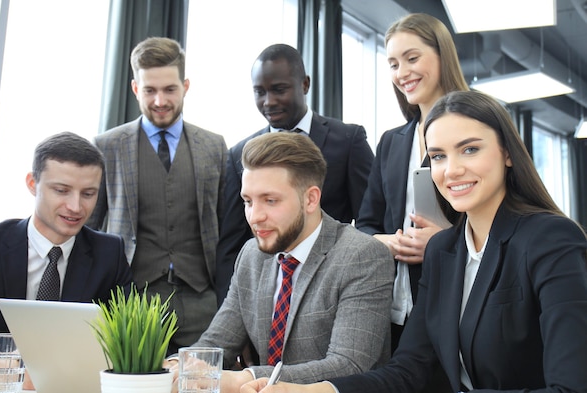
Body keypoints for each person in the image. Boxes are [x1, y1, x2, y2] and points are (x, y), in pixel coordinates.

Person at [240, 90, 587, 393]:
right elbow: (409, 371)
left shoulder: (551, 240)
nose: (451, 170)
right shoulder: (444, 252)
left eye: (469, 149)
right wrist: (317, 391)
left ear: (508, 153)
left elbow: (571, 387)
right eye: (438, 156)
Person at [174, 132, 393, 392]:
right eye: (247, 201)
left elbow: (348, 365)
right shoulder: (250, 255)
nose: (254, 217)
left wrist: (246, 377)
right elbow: (217, 341)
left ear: (311, 199)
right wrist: (179, 367)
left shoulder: (362, 255)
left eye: (270, 200)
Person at [87, 37, 227, 355]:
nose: (160, 100)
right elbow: (90, 232)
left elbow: (227, 230)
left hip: (203, 305)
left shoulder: (215, 146)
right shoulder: (107, 146)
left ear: (186, 86)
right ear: (136, 88)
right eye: (150, 90)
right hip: (130, 302)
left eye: (170, 89)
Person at [0, 132, 133, 389]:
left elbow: (130, 345)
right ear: (32, 183)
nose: (76, 207)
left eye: (88, 194)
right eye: (61, 191)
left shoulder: (110, 254)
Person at [215, 43, 374, 305]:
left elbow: (370, 220)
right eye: (259, 92)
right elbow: (230, 245)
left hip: (333, 288)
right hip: (267, 295)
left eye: (279, 89)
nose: (269, 101)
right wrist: (234, 312)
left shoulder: (348, 141)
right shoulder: (239, 154)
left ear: (305, 84)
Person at [355, 13, 469, 352]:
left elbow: (501, 216)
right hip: (394, 306)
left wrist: (445, 239)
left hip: (456, 297)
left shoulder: (475, 129)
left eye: (412, 58)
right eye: (392, 63)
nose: (402, 72)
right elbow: (365, 223)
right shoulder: (392, 141)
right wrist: (384, 242)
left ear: (442, 55)